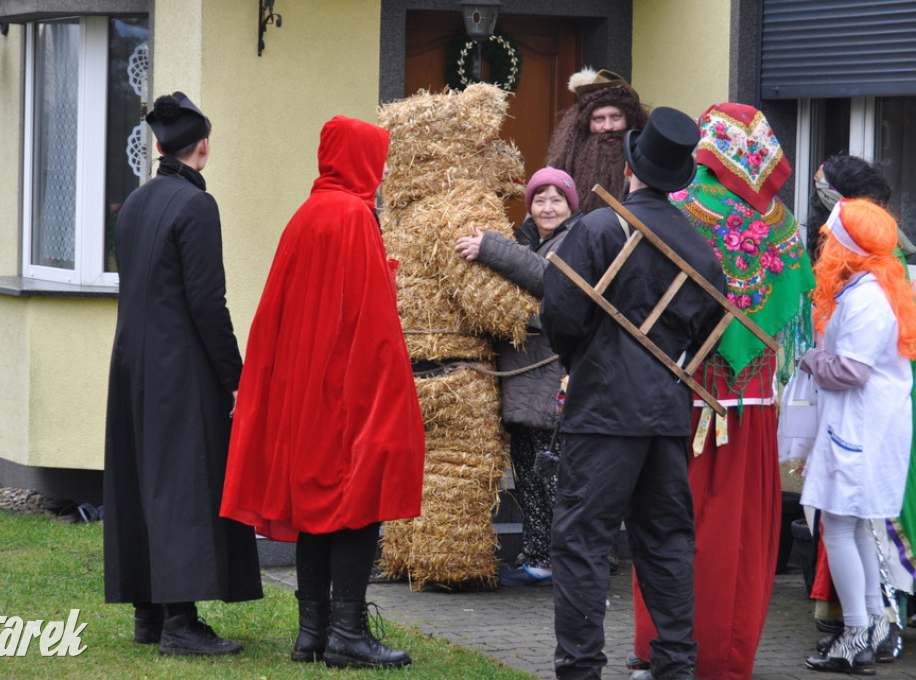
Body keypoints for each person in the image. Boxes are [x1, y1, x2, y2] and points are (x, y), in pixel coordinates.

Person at [220, 115, 425, 669]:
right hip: (344, 394)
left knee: (316, 509)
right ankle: (349, 635)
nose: (380, 177)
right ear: (362, 161)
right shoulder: (354, 216)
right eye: (377, 162)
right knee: (358, 504)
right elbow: (370, 325)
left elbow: (283, 314)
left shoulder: (307, 215)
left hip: (303, 393)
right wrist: (390, 400)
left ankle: (312, 634)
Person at [630, 102, 815, 680]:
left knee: (665, 521)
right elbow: (793, 317)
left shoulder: (678, 208)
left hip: (681, 390)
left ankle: (656, 647)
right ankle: (726, 655)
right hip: (751, 400)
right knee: (740, 534)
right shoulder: (783, 225)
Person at [541, 106, 727, 680]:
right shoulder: (699, 247)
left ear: (630, 170)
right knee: (667, 541)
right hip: (668, 409)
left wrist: (587, 361)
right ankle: (675, 666)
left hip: (601, 409)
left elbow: (560, 316)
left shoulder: (597, 228)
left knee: (582, 542)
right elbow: (707, 331)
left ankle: (579, 668)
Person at [103, 91, 263, 656]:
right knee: (181, 486)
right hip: (179, 369)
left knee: (144, 479)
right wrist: (236, 376)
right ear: (204, 147)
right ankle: (179, 622)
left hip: (132, 365)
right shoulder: (197, 205)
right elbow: (206, 302)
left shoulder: (138, 202)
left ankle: (149, 614)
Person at [805, 155, 916, 657]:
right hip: (869, 432)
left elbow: (850, 370)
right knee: (861, 529)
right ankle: (869, 631)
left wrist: (810, 359)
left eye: (832, 235)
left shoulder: (865, 296)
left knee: (842, 529)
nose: (825, 240)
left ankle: (856, 635)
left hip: (858, 435)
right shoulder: (881, 285)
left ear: (851, 243)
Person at [453, 167, 582, 587]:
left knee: (552, 477)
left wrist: (491, 246)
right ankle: (536, 558)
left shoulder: (576, 241)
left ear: (570, 206)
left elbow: (549, 280)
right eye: (539, 199)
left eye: (556, 199)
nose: (547, 207)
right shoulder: (530, 241)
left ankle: (557, 564)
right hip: (526, 382)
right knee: (528, 474)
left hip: (553, 380)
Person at [547, 68, 650, 213]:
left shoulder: (649, 166)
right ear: (586, 124)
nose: (608, 127)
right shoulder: (561, 169)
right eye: (599, 119)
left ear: (630, 120)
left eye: (616, 117)